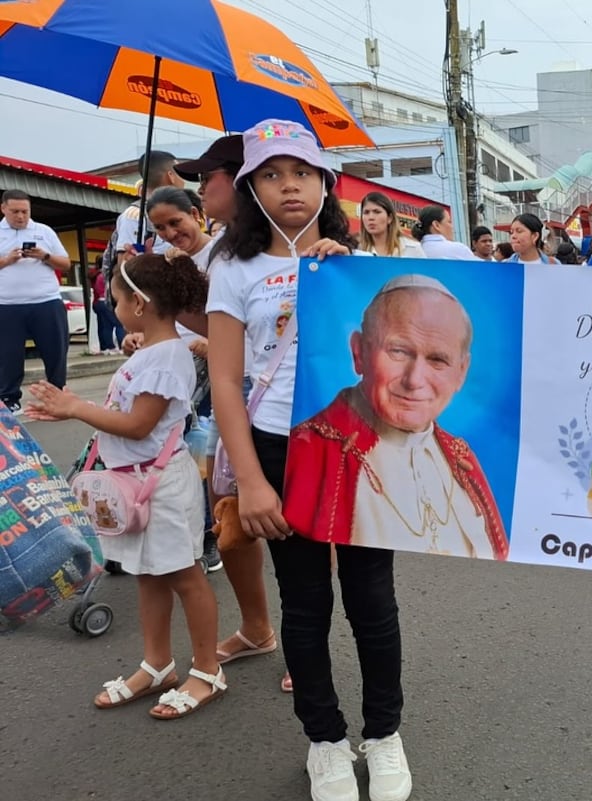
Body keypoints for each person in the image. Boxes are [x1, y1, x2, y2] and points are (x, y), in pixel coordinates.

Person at [205, 119, 412, 801]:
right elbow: (228, 386)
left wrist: (346, 275)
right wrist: (255, 481)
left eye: (302, 172)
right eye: (270, 173)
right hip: (276, 449)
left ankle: (383, 734)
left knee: (372, 599)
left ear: (325, 184)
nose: (288, 185)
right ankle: (324, 740)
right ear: (249, 189)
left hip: (354, 444)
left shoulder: (354, 263)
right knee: (305, 604)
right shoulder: (232, 269)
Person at [27, 253, 225, 719]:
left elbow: (138, 425)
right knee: (148, 574)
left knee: (184, 575)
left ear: (138, 303)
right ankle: (157, 663)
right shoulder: (153, 353)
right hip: (135, 483)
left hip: (159, 486)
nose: (111, 306)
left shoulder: (166, 358)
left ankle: (207, 670)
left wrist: (75, 407)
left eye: (114, 298)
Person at [284, 274, 508, 559]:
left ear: (461, 372)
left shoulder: (461, 459)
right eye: (399, 351)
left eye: (438, 360)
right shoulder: (312, 449)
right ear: (359, 352)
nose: (414, 380)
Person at [178, 133, 286, 681]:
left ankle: (304, 639)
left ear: (240, 179)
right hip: (236, 398)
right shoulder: (225, 254)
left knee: (305, 528)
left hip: (277, 404)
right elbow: (226, 338)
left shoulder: (292, 248)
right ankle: (257, 627)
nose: (199, 190)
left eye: (206, 177)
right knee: (233, 522)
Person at [146, 186, 223, 571]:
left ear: (195, 213)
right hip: (176, 366)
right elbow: (158, 315)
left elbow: (229, 313)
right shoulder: (165, 260)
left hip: (218, 365)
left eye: (175, 223)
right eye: (160, 229)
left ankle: (212, 532)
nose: (170, 234)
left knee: (201, 452)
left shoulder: (226, 251)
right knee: (166, 450)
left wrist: (212, 344)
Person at [0, 189, 72, 416]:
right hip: (7, 304)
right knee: (8, 355)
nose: (21, 216)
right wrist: (6, 260)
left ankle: (57, 395)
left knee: (55, 351)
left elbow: (66, 263)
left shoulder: (44, 231)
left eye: (25, 211)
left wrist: (45, 256)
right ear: (3, 208)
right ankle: (8, 399)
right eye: (15, 212)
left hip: (46, 301)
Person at [115, 150, 184, 259]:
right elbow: (125, 265)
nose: (184, 180)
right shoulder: (136, 215)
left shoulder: (181, 211)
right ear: (171, 176)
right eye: (181, 173)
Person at [359, 192, 424, 258]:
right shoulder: (358, 250)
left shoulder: (412, 248)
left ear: (390, 218)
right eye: (366, 212)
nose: (371, 217)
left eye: (377, 212)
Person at [409, 205, 475, 260]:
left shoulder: (412, 251)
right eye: (449, 222)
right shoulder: (459, 249)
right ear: (436, 225)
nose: (452, 227)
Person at [91, 256, 125, 354]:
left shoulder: (96, 275)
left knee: (105, 326)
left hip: (98, 302)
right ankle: (120, 346)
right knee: (118, 324)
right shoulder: (105, 276)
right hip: (105, 301)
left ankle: (106, 347)